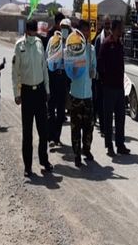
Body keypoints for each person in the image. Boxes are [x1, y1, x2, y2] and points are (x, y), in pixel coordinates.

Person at [12, 19, 53, 177]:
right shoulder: (19, 46)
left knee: (43, 131)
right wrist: (17, 93)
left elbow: (44, 68)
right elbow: (15, 73)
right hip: (27, 94)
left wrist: (47, 89)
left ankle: (44, 161)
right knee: (27, 133)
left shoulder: (39, 44)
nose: (35, 33)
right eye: (33, 31)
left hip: (40, 92)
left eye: (36, 31)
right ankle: (27, 166)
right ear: (28, 30)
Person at [98, 19, 130, 156]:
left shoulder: (119, 44)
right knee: (108, 117)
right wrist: (104, 81)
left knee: (120, 117)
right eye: (120, 28)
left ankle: (120, 144)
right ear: (114, 29)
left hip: (119, 86)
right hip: (109, 87)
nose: (122, 30)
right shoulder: (106, 44)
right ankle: (109, 146)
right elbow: (100, 65)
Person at [68, 21, 96, 167]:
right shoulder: (73, 49)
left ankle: (87, 149)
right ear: (78, 32)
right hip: (76, 95)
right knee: (75, 127)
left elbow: (94, 68)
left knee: (89, 126)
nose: (86, 34)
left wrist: (93, 71)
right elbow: (70, 69)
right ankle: (77, 154)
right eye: (83, 31)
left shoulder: (91, 49)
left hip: (88, 95)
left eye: (87, 31)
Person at [47, 17, 71, 147]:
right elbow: (47, 57)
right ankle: (50, 137)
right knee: (51, 109)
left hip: (64, 79)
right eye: (63, 28)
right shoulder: (52, 40)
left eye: (67, 28)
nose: (65, 30)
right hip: (53, 77)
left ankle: (57, 136)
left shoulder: (71, 44)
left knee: (61, 112)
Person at [94, 16, 112, 135]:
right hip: (100, 76)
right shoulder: (98, 40)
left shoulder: (113, 38)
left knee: (108, 103)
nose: (107, 26)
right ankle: (103, 127)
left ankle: (107, 125)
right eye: (105, 24)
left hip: (110, 76)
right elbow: (96, 58)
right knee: (100, 101)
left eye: (108, 24)